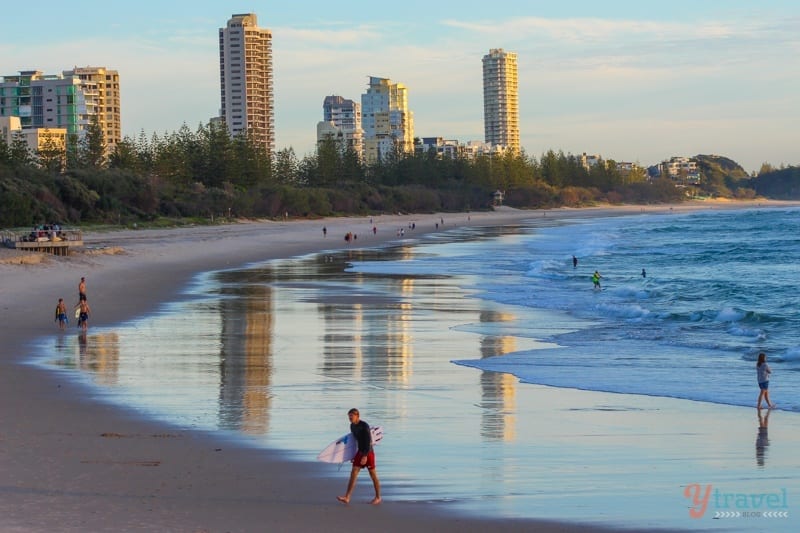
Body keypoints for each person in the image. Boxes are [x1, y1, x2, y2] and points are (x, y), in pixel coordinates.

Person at [337, 408, 381, 505]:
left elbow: (368, 442)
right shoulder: (352, 426)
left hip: (368, 453)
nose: (350, 418)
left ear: (357, 416)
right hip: (359, 451)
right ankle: (347, 497)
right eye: (349, 416)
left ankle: (378, 497)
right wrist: (353, 454)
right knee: (353, 473)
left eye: (351, 416)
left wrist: (365, 456)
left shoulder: (364, 426)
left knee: (373, 476)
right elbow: (355, 441)